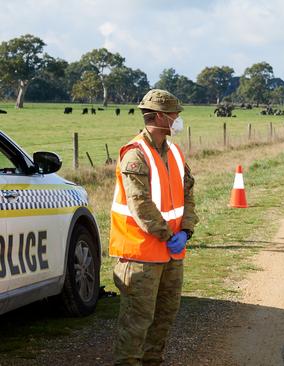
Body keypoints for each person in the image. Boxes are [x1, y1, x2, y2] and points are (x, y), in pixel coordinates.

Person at [110, 89, 199, 366]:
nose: (177, 119)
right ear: (160, 116)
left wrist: (187, 230)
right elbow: (141, 206)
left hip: (171, 253)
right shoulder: (134, 155)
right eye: (174, 114)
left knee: (163, 321)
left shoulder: (173, 151)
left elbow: (188, 193)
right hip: (140, 257)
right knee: (136, 326)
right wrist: (169, 235)